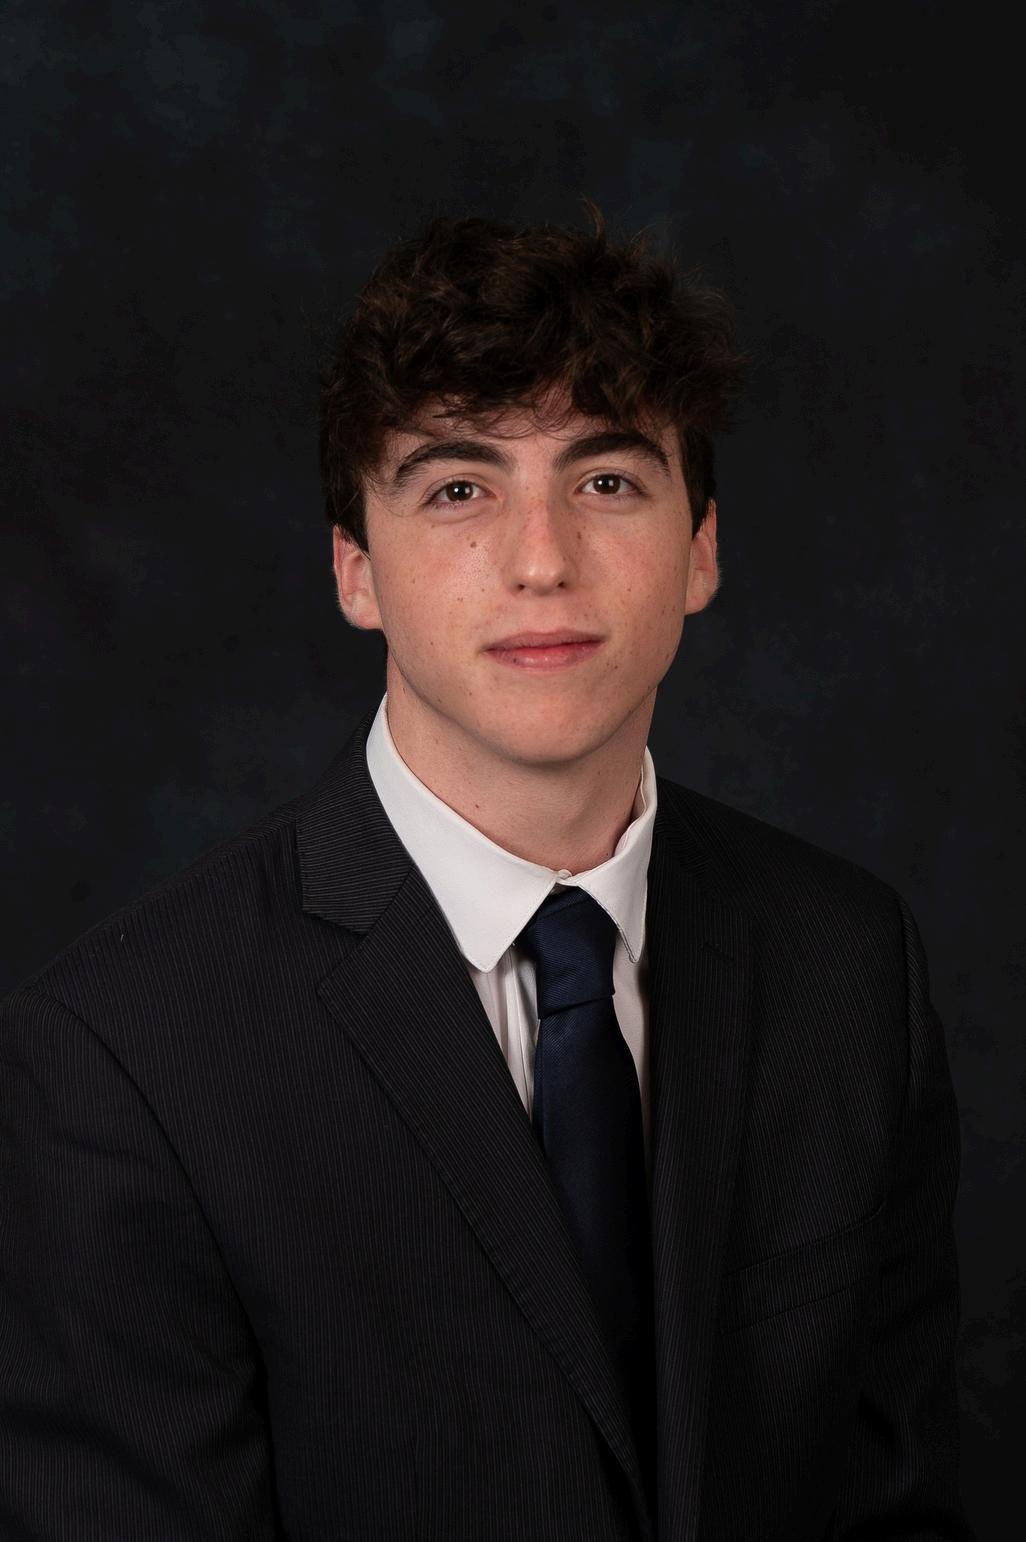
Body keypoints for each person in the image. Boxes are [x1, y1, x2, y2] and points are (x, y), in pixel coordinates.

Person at [0, 206, 974, 1541]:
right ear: (356, 568)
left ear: (700, 547)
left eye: (607, 481)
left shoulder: (849, 965)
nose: (541, 560)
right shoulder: (118, 1060)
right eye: (458, 489)